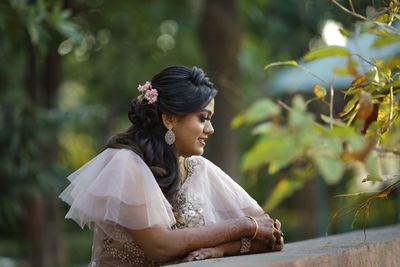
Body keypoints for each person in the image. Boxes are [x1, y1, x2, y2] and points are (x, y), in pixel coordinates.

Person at [59, 65, 284, 266]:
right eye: (203, 118)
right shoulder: (125, 163)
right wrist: (244, 226)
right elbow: (161, 247)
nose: (211, 129)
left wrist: (220, 249)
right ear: (169, 119)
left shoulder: (200, 169)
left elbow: (269, 237)